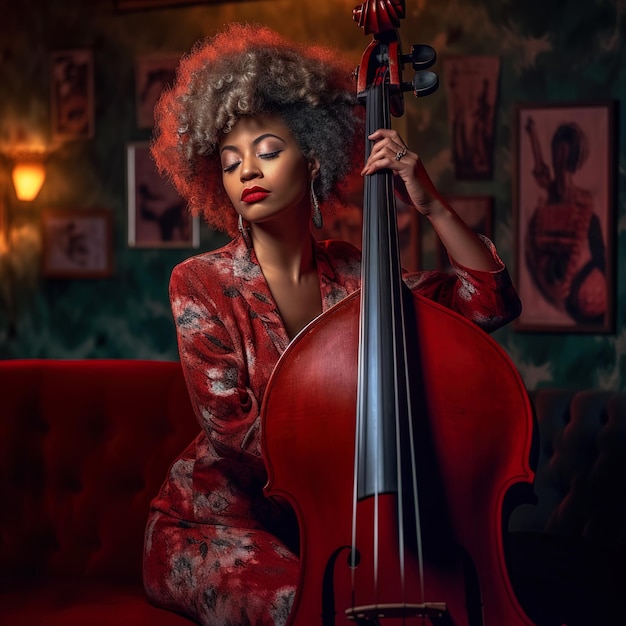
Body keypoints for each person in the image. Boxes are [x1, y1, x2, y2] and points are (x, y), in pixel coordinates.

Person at [143, 23, 522, 626]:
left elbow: (488, 303)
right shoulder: (199, 283)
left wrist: (427, 201)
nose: (248, 172)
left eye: (268, 150)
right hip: (218, 525)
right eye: (231, 160)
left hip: (338, 522)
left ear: (313, 157)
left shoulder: (355, 272)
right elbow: (235, 437)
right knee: (315, 604)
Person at [523, 116, 607, 325]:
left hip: (583, 295)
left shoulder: (586, 210)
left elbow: (600, 258)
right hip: (552, 287)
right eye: (557, 156)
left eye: (565, 157)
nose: (560, 163)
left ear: (574, 160)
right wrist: (533, 134)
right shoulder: (541, 215)